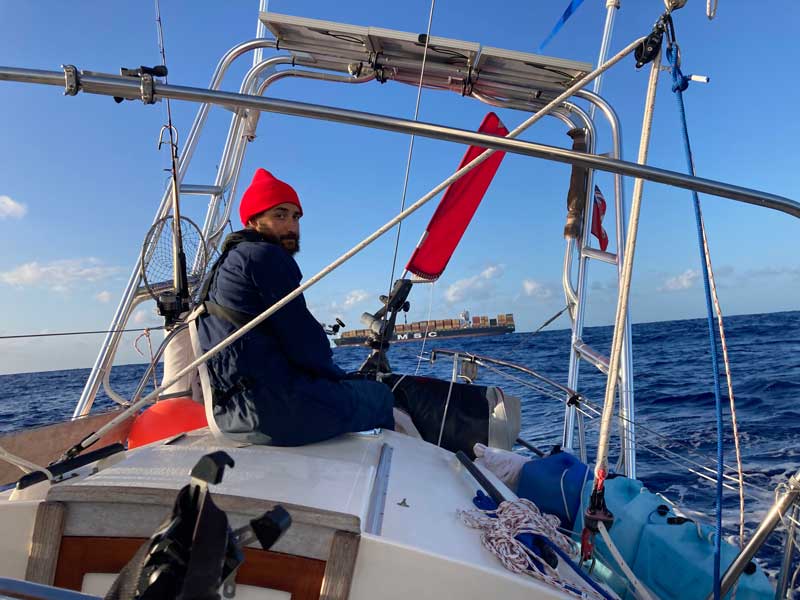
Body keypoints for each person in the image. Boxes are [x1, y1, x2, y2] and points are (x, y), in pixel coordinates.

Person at [197, 168, 394, 445]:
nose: (291, 226)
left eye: (296, 216)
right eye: (280, 215)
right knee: (380, 396)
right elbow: (306, 344)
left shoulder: (224, 266)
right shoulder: (265, 256)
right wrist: (343, 379)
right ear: (253, 221)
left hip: (231, 416)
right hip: (276, 413)